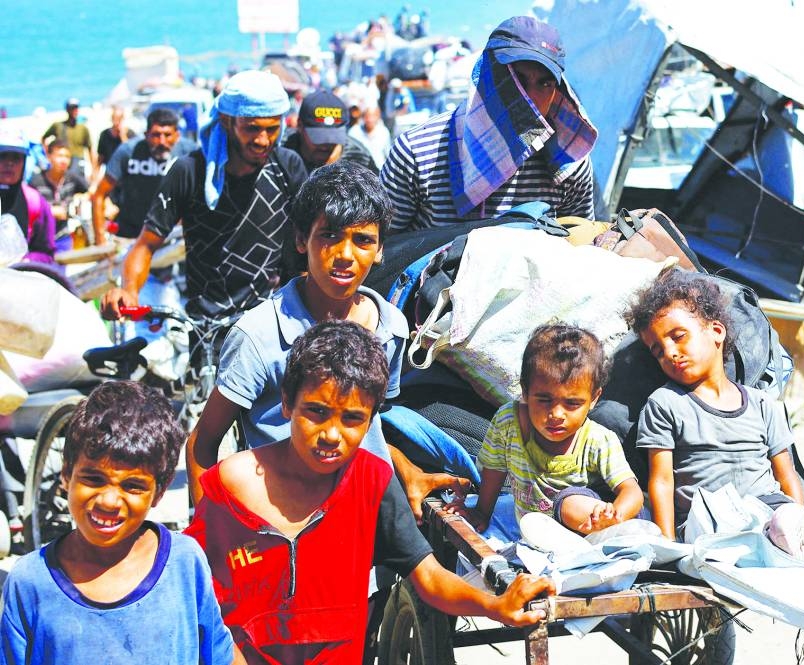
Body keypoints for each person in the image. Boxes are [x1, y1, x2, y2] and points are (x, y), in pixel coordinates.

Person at [185, 320, 554, 663]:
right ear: (286, 403)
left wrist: (493, 604)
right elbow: (194, 598)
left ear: (372, 418)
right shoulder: (230, 485)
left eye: (352, 419)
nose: (331, 435)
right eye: (316, 412)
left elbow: (428, 577)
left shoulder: (372, 481)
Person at [187, 160, 469, 516]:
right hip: (282, 522)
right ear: (301, 240)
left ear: (381, 249)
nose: (345, 256)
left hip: (366, 519)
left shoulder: (391, 326)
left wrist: (404, 471)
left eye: (363, 240)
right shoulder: (258, 336)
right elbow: (203, 442)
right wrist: (211, 535)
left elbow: (370, 427)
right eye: (329, 236)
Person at [629, 269, 804, 577]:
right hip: (711, 515)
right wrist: (667, 543)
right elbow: (662, 481)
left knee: (784, 518)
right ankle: (787, 543)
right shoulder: (665, 404)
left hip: (768, 505)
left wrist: (800, 515)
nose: (670, 353)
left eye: (678, 337)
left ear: (716, 331)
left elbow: (787, 474)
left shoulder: (763, 404)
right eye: (658, 351)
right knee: (738, 536)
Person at [0, 381, 240, 664]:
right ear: (66, 475)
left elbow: (219, 654)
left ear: (158, 493)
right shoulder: (30, 581)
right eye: (93, 479)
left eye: (133, 485)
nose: (109, 501)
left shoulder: (185, 562)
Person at [99, 70, 307, 328]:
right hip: (208, 329)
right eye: (252, 128)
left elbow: (308, 239)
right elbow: (145, 245)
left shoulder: (287, 166)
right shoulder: (189, 172)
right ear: (227, 122)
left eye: (272, 129)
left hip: (274, 324)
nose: (263, 140)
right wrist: (129, 291)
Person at [381, 15, 596, 232]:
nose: (528, 98)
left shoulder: (568, 164)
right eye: (517, 81)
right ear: (488, 75)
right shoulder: (417, 153)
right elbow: (382, 249)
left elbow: (580, 244)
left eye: (545, 83)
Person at [456, 323, 643, 536]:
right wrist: (481, 512)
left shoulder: (598, 440)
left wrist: (612, 517)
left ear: (594, 399)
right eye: (544, 400)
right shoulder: (509, 422)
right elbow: (494, 470)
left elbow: (631, 491)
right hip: (541, 537)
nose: (556, 414)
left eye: (572, 403)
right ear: (525, 392)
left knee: (568, 504)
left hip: (595, 528)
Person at [91, 108, 196, 245]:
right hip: (131, 234)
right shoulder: (128, 151)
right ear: (146, 134)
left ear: (177, 135)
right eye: (156, 135)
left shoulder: (190, 152)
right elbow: (99, 195)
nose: (162, 141)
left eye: (167, 135)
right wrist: (100, 240)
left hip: (173, 236)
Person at [282, 89, 378, 173]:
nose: (325, 146)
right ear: (300, 126)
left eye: (334, 138)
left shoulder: (360, 158)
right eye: (319, 138)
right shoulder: (282, 150)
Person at [0, 128, 56, 265]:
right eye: (2, 156)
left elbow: (47, 253)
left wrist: (26, 260)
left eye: (16, 158)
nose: (9, 163)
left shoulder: (35, 202)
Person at [29, 139, 89, 252]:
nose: (64, 160)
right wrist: (48, 211)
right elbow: (27, 208)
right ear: (48, 156)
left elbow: (91, 192)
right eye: (60, 156)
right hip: (40, 241)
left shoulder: (72, 178)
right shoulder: (36, 181)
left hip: (64, 238)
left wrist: (80, 198)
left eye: (67, 156)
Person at [41, 98, 96, 176]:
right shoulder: (58, 126)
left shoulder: (83, 129)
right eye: (72, 108)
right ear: (67, 110)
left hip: (78, 161)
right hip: (62, 161)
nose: (74, 110)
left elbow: (90, 149)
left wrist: (94, 169)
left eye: (76, 108)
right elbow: (43, 138)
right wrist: (47, 154)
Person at [349, 106, 392, 170]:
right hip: (359, 171)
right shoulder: (354, 131)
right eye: (367, 116)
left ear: (378, 117)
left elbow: (388, 154)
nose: (370, 119)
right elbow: (349, 154)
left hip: (379, 170)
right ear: (363, 117)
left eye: (373, 116)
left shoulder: (384, 132)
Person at [95, 106, 136, 170]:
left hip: (125, 170)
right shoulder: (104, 134)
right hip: (109, 170)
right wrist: (96, 170)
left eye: (119, 119)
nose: (116, 122)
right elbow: (101, 156)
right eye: (115, 118)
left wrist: (123, 135)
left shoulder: (130, 134)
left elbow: (131, 153)